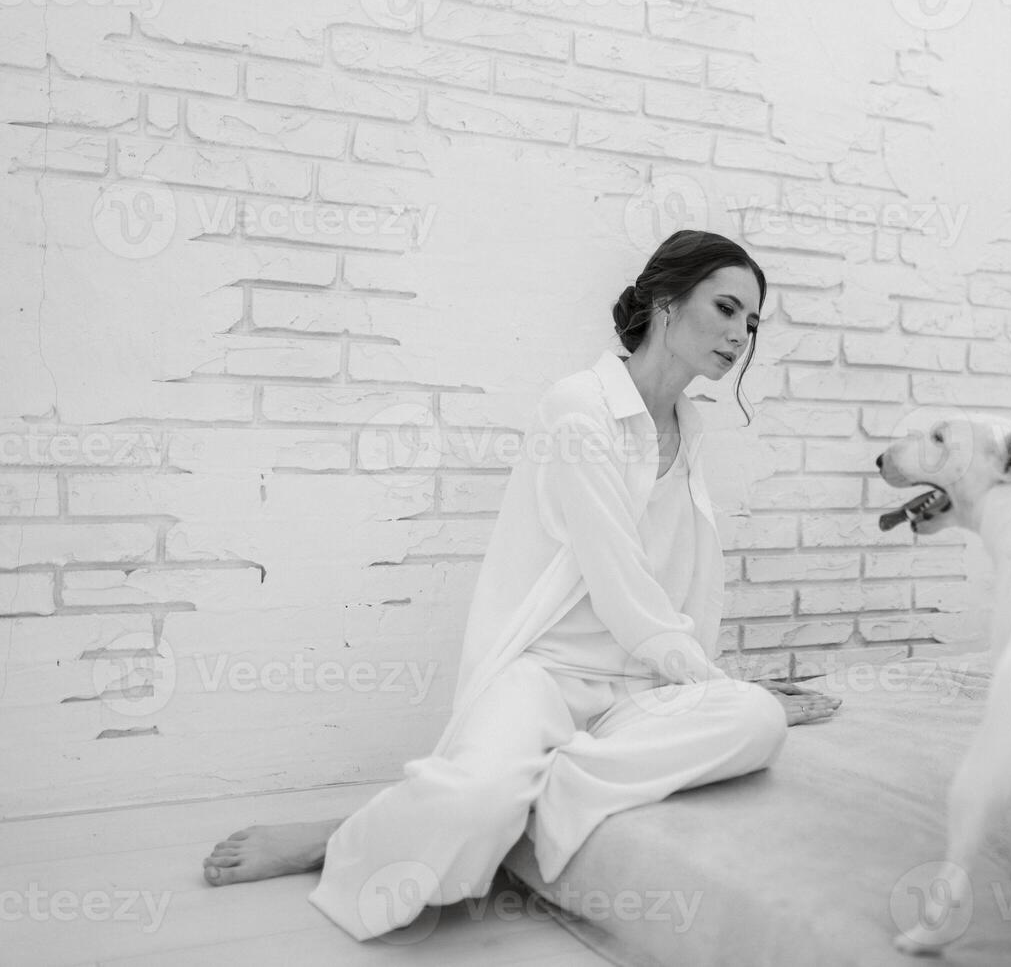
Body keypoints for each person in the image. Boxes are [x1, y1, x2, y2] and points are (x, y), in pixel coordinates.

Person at [201, 230, 842, 938]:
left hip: (636, 690)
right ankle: (344, 833)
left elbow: (675, 589)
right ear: (666, 301)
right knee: (470, 801)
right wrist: (705, 679)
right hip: (545, 677)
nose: (738, 335)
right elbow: (622, 584)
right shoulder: (580, 408)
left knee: (758, 720)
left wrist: (725, 696)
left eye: (750, 323)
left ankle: (518, 792)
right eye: (725, 309)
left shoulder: (688, 429)